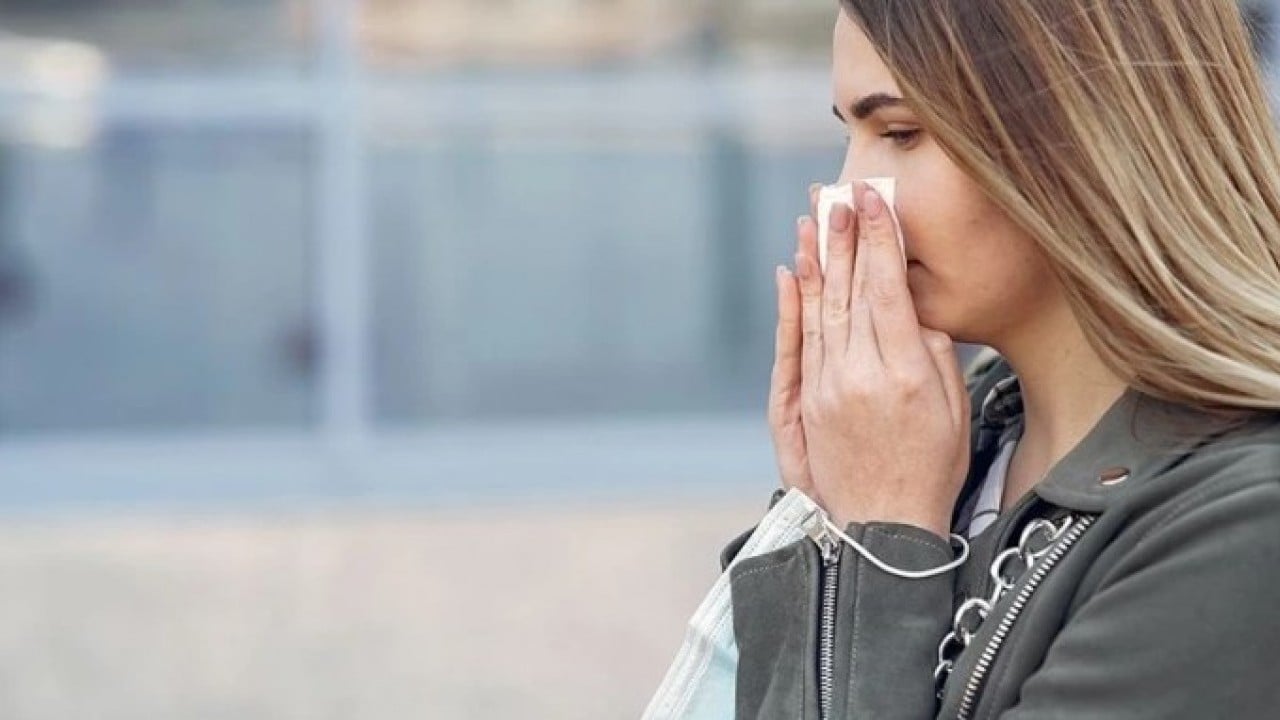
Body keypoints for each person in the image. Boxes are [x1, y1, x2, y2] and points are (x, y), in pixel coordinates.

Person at [723, 1, 1280, 717]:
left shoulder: (1242, 527)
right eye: (850, 135)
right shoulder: (948, 439)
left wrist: (878, 542)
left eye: (899, 132)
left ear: (1086, 137)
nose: (843, 198)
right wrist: (827, 516)